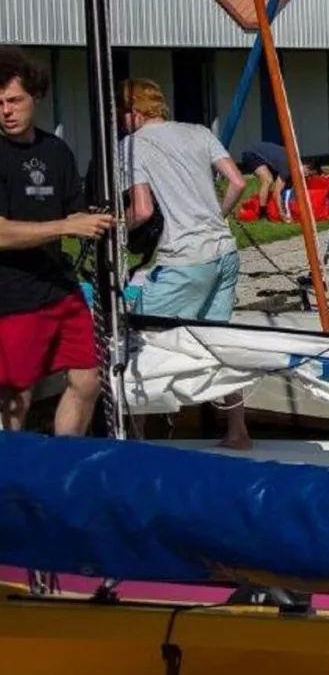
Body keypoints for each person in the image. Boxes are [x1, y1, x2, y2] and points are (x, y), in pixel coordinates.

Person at [118, 79, 251, 448]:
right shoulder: (197, 131)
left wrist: (112, 229)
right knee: (219, 343)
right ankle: (238, 431)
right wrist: (216, 217)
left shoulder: (131, 146)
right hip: (224, 251)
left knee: (141, 339)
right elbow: (238, 182)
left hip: (185, 258)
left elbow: (142, 210)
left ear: (133, 113)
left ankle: (138, 440)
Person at [0, 49, 115, 435]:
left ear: (35, 97)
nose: (6, 111)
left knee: (88, 380)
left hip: (59, 287)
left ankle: (66, 468)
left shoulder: (56, 150)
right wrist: (65, 227)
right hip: (11, 294)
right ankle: (9, 477)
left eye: (14, 100)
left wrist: (106, 220)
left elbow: (76, 217)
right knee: (17, 395)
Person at [238, 140, 313, 213]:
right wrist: (281, 213)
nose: (305, 176)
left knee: (287, 185)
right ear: (304, 166)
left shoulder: (293, 164)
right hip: (252, 153)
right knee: (268, 180)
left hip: (266, 156)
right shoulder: (287, 166)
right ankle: (262, 213)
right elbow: (276, 193)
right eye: (306, 173)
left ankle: (281, 206)